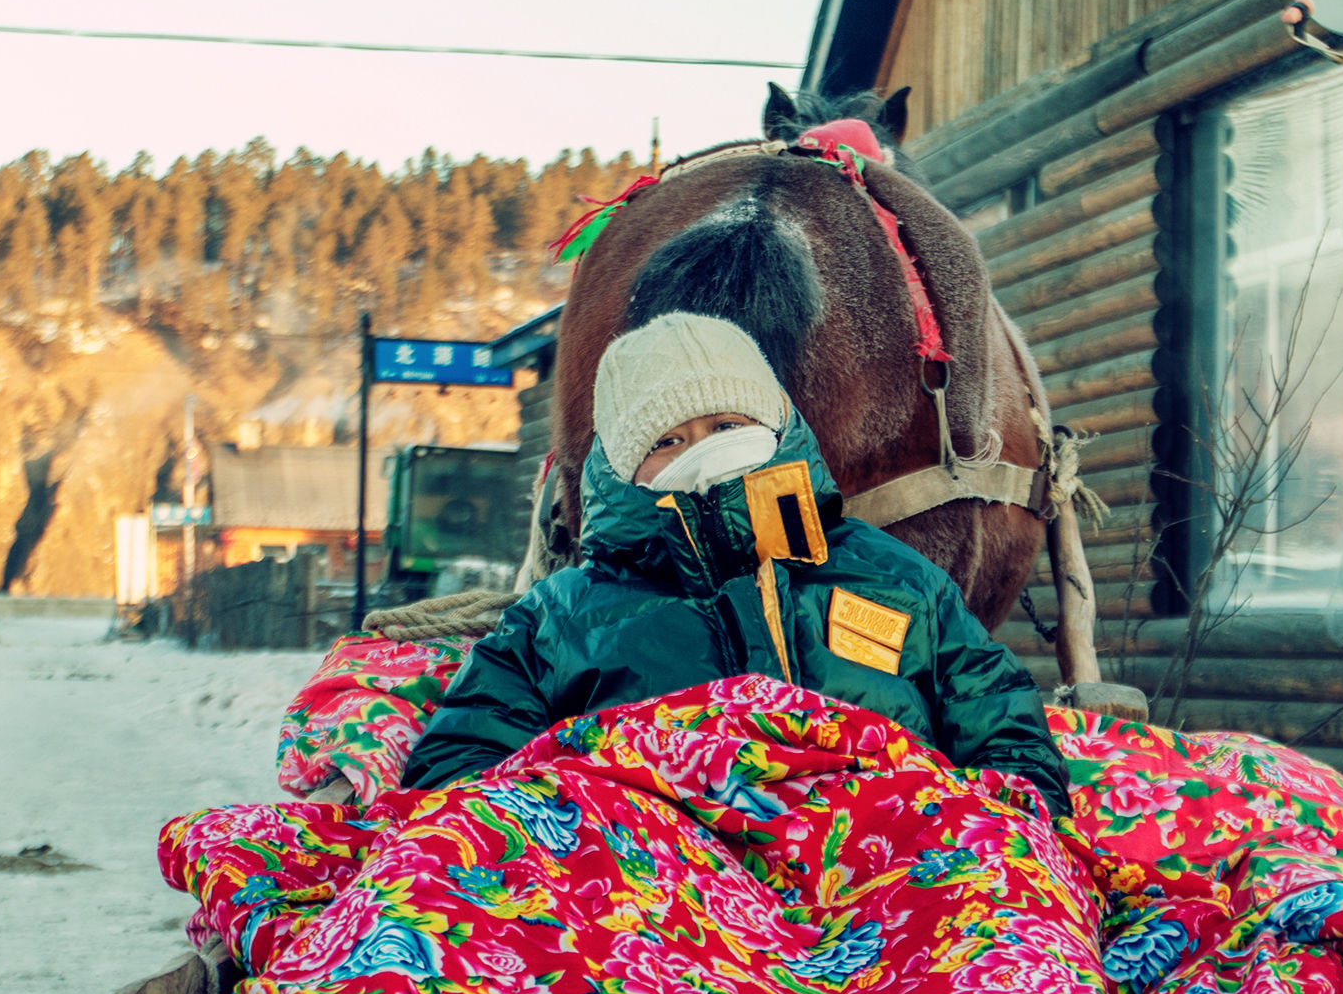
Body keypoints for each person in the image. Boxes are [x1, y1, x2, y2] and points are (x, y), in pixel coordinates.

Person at [401, 312, 1075, 815]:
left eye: (727, 426)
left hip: (879, 885)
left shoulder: (895, 581)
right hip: (654, 911)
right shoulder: (561, 616)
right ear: (624, 467)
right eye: (669, 439)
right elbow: (457, 769)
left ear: (774, 426)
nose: (708, 450)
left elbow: (1000, 723)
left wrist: (991, 820)